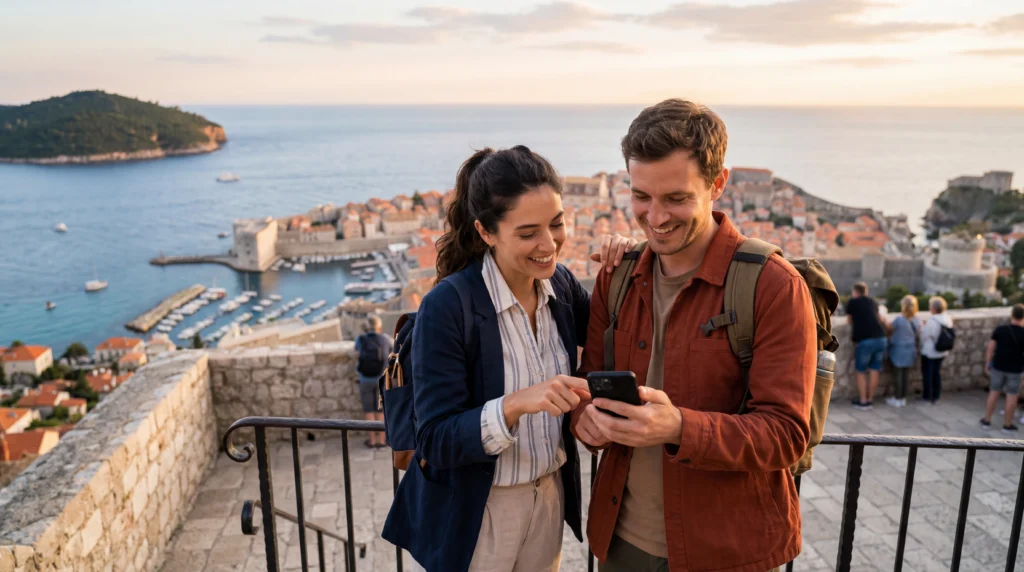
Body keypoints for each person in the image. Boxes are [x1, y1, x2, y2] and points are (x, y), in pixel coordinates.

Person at [572, 99, 816, 572]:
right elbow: (589, 383)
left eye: (676, 198)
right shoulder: (616, 277)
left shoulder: (772, 286)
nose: (655, 216)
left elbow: (787, 435)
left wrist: (680, 427)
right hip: (622, 540)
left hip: (725, 549)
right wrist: (585, 417)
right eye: (641, 196)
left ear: (718, 184)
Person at [381, 145, 636, 572]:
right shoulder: (448, 306)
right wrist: (516, 404)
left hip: (549, 495)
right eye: (528, 232)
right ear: (486, 232)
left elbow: (613, 334)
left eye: (557, 224)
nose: (549, 243)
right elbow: (434, 439)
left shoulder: (561, 286)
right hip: (480, 510)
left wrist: (624, 262)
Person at [981, 304, 1024, 432]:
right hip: (1015, 369)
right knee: (1012, 397)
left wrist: (987, 363)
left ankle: (987, 421)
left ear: (1012, 315)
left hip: (998, 367)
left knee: (993, 393)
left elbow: (990, 349)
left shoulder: (1000, 329)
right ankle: (1007, 425)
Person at [845, 282, 888, 410]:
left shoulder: (853, 302)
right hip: (880, 338)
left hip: (865, 341)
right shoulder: (873, 302)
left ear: (855, 292)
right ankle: (870, 399)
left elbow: (849, 320)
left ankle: (863, 401)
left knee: (861, 371)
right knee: (875, 369)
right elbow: (879, 318)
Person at [355, 315, 393, 448]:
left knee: (369, 410)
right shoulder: (386, 339)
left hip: (365, 379)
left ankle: (372, 441)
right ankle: (382, 441)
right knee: (381, 410)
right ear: (379, 327)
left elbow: (357, 351)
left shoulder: (360, 340)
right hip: (381, 379)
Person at [886, 295, 919, 408]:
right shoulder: (916, 320)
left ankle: (897, 398)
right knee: (905, 375)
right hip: (911, 350)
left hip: (899, 350)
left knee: (898, 376)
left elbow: (889, 328)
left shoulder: (899, 320)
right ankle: (903, 398)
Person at [919, 296, 953, 404]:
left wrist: (922, 328)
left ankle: (927, 397)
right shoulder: (947, 319)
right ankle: (936, 396)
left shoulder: (932, 321)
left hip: (930, 352)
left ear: (933, 308)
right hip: (941, 351)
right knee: (937, 373)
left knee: (928, 374)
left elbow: (924, 336)